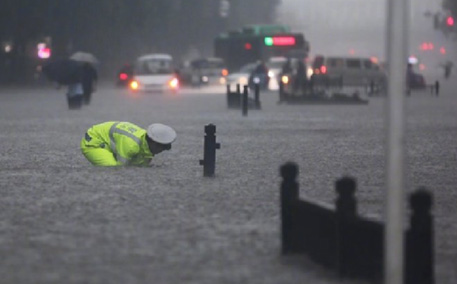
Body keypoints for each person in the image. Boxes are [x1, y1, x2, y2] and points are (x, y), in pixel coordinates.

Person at [80, 121, 177, 166]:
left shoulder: (143, 139)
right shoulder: (131, 145)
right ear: (153, 143)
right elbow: (122, 167)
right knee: (113, 168)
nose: (160, 152)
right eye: (161, 148)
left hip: (109, 140)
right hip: (93, 142)